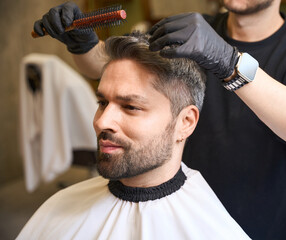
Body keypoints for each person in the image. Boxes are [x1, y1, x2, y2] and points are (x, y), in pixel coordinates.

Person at [33, 1, 286, 239]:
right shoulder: (193, 31)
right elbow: (116, 75)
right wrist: (84, 43)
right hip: (172, 213)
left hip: (259, 224)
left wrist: (229, 62)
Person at [17, 33, 250, 239]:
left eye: (130, 107)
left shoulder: (213, 231)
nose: (101, 122)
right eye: (102, 102)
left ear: (185, 123)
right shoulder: (59, 209)